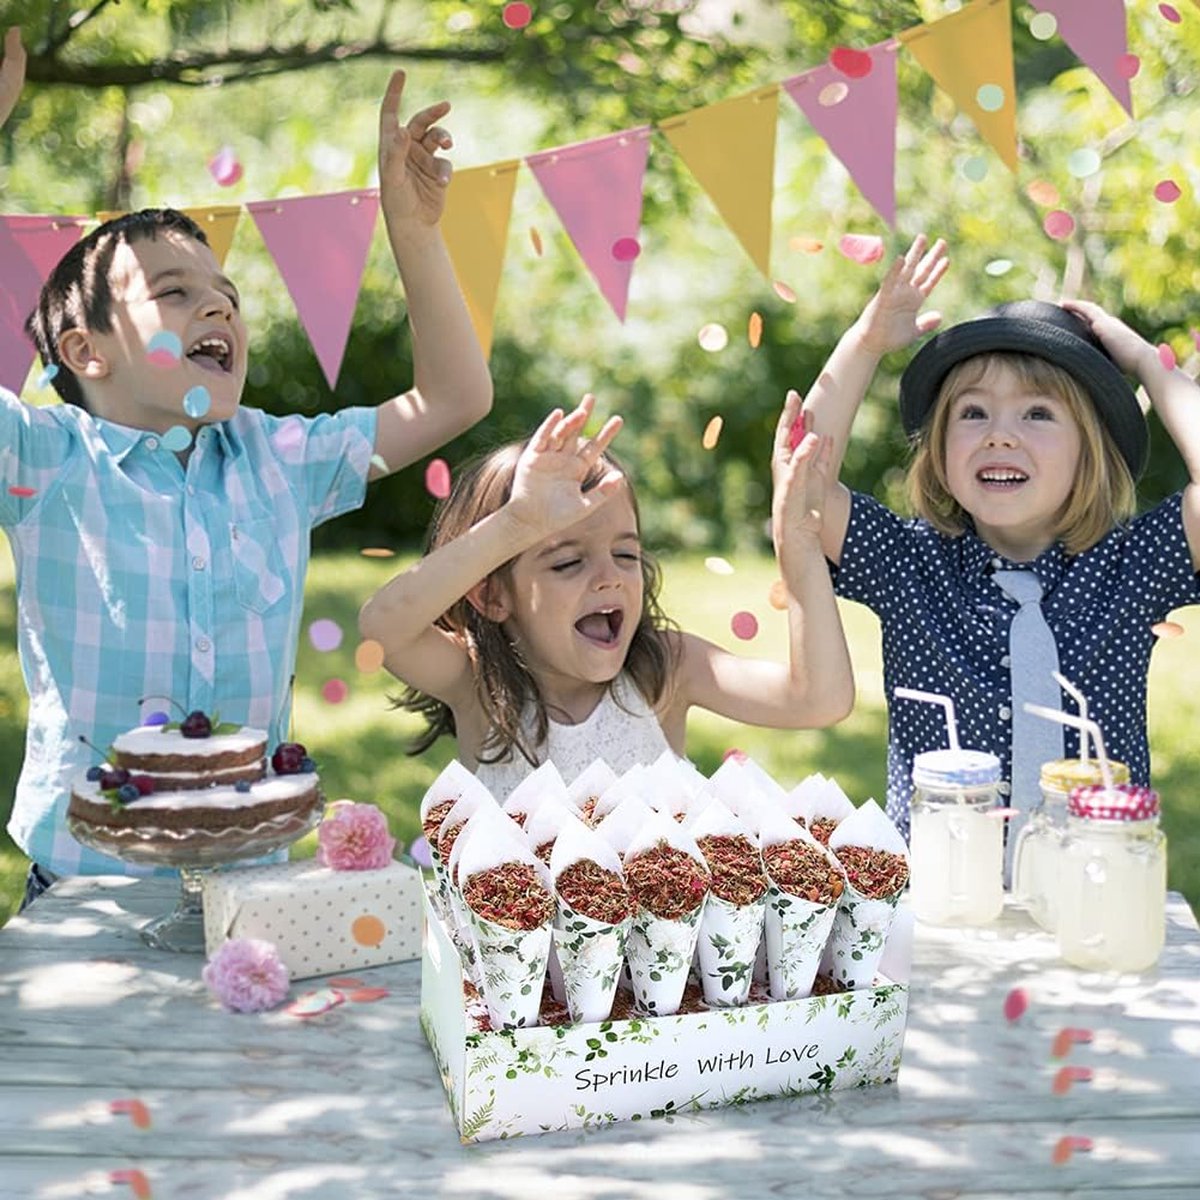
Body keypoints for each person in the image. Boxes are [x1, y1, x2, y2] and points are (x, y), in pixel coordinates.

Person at [2, 40, 493, 905]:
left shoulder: (278, 459)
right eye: (173, 293)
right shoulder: (45, 461)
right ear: (87, 351)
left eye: (223, 289)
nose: (217, 303)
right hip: (85, 892)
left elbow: (454, 397)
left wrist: (412, 232)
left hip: (255, 889)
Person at [795, 233, 1200, 842]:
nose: (1000, 436)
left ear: (1091, 452)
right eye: (974, 412)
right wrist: (866, 344)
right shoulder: (911, 563)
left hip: (1093, 886)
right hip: (940, 894)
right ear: (939, 449)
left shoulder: (1131, 565)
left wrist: (1149, 364)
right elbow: (802, 484)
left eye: (1037, 414)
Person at [358, 394, 854, 798]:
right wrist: (515, 525)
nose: (609, 578)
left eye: (625, 554)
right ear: (491, 597)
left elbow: (818, 700)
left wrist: (800, 546)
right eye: (568, 561)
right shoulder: (480, 688)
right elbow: (383, 629)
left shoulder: (664, 670)